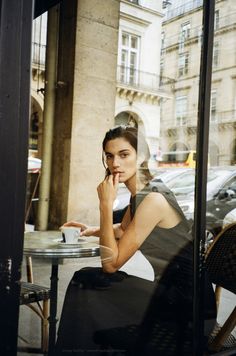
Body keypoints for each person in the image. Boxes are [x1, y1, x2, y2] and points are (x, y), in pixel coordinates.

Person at [54, 125, 216, 355]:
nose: (115, 164)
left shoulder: (153, 200)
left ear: (142, 157)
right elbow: (124, 229)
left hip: (188, 308)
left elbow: (110, 264)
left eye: (124, 154)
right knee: (88, 282)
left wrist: (105, 206)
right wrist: (91, 230)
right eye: (109, 156)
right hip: (169, 293)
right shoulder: (142, 194)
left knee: (87, 282)